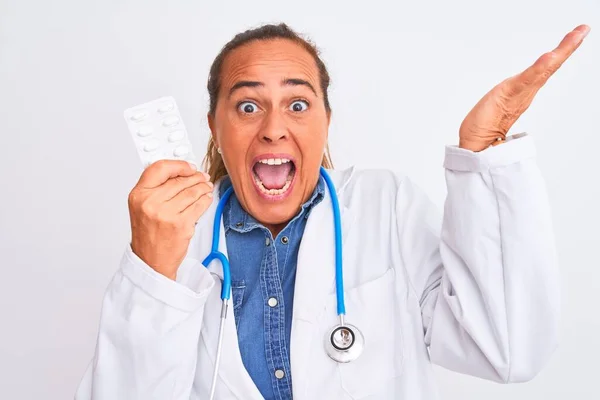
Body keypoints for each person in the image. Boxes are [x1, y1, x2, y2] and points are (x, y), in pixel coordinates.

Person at [75, 22, 590, 400]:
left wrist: (485, 155)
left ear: (326, 120)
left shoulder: (383, 205)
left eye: (298, 104)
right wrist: (152, 273)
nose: (274, 128)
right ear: (215, 126)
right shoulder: (175, 235)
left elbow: (507, 350)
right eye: (248, 106)